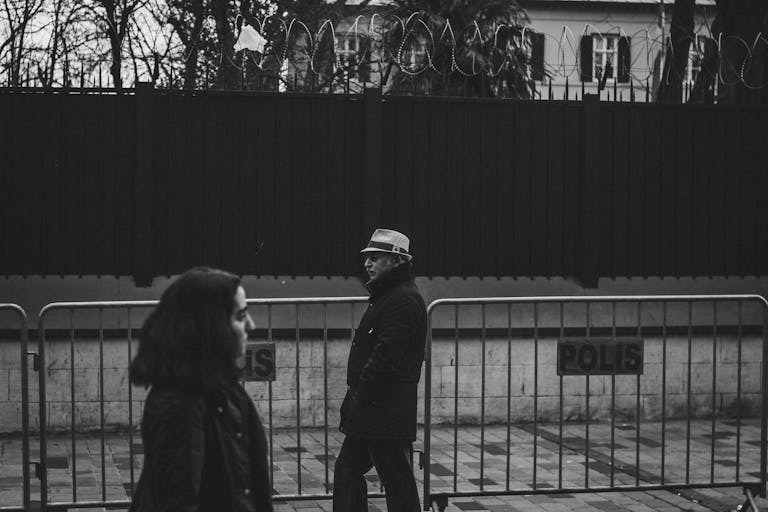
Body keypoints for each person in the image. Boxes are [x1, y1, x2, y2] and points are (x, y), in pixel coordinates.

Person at [128, 267, 273, 512]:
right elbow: (178, 500)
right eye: (240, 316)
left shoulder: (223, 388)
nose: (251, 325)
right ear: (212, 325)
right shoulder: (180, 404)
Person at [333, 229, 427, 512]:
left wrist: (359, 396)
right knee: (354, 469)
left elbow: (385, 358)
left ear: (397, 261)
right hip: (377, 408)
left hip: (382, 409)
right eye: (367, 258)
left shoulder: (402, 300)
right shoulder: (390, 296)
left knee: (392, 477)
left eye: (375, 258)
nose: (367, 264)